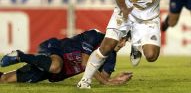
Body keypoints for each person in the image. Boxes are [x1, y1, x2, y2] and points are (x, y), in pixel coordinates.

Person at [0, 29, 132, 85]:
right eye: (122, 39)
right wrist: (107, 82)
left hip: (58, 73)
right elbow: (86, 63)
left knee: (5, 79)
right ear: (113, 34)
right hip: (57, 50)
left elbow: (103, 80)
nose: (123, 44)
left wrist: (115, 79)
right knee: (55, 66)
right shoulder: (95, 36)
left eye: (126, 41)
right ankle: (20, 56)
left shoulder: (111, 57)